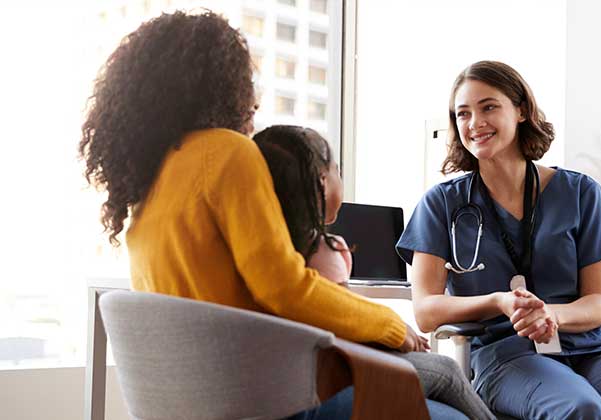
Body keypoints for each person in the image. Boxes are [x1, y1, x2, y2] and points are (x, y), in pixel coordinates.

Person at [78, 11, 464, 419]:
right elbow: (283, 288)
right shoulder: (227, 152)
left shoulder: (146, 184)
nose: (253, 98)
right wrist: (388, 324)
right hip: (263, 398)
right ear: (221, 83)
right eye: (245, 82)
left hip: (196, 402)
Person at [396, 60, 601, 420]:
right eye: (463, 114)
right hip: (507, 352)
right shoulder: (442, 204)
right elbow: (426, 311)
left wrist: (550, 314)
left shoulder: (580, 193)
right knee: (581, 409)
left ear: (521, 110)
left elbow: (599, 303)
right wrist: (500, 302)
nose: (475, 123)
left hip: (595, 345)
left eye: (488, 107)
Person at [252, 125, 496, 420]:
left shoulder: (257, 250)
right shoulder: (325, 251)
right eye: (337, 172)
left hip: (282, 377)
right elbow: (342, 325)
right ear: (322, 183)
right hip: (336, 373)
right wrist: (394, 337)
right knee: (447, 371)